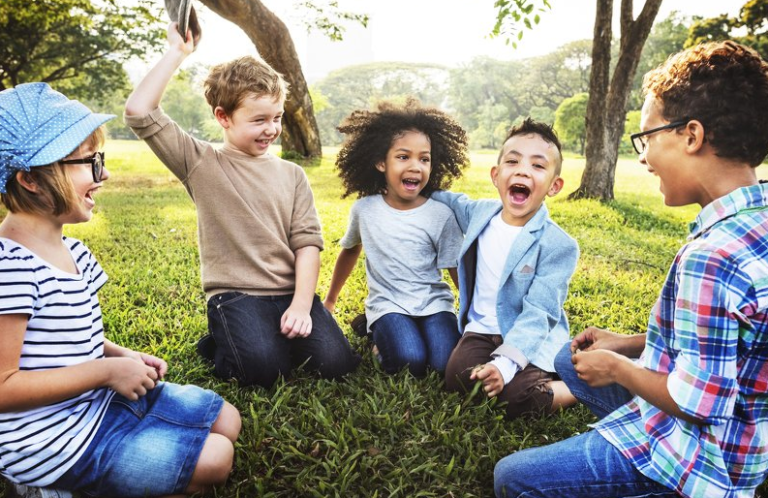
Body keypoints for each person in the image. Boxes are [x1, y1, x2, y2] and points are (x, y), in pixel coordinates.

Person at [495, 40, 768, 498]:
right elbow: (738, 335)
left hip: (700, 459)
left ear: (691, 135)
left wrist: (620, 368)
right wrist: (628, 343)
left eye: (647, 137)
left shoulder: (712, 255)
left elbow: (700, 403)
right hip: (749, 440)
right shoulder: (752, 223)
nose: (642, 157)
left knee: (513, 478)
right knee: (568, 360)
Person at [0, 82, 241, 498]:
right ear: (31, 179)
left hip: (97, 401)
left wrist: (121, 356)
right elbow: (4, 386)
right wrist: (107, 372)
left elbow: (69, 338)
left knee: (229, 421)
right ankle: (46, 485)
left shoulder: (72, 250)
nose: (105, 174)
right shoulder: (10, 270)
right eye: (89, 163)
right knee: (216, 459)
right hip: (53, 441)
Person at [124, 24, 360, 389]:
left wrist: (300, 305)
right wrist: (178, 52)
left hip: (289, 292)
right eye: (259, 120)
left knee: (337, 364)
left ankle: (268, 336)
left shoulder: (293, 174)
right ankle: (221, 341)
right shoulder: (200, 162)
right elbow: (139, 112)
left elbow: (307, 245)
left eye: (277, 117)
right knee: (263, 373)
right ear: (223, 117)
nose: (271, 129)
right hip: (235, 296)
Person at [431, 118, 579, 420]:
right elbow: (446, 198)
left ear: (554, 186)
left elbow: (539, 313)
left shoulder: (558, 244)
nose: (523, 170)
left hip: (528, 336)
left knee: (516, 398)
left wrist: (504, 365)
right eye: (513, 161)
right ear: (496, 176)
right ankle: (501, 372)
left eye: (538, 166)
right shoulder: (480, 213)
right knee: (458, 379)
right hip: (481, 331)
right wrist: (411, 184)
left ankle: (574, 386)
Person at [322, 99, 467, 377]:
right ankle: (377, 334)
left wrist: (474, 312)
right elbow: (350, 251)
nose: (416, 166)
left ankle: (382, 331)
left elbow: (454, 267)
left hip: (434, 303)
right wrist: (330, 300)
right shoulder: (365, 210)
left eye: (424, 158)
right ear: (380, 162)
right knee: (408, 361)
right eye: (403, 157)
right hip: (388, 304)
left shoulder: (440, 214)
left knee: (442, 365)